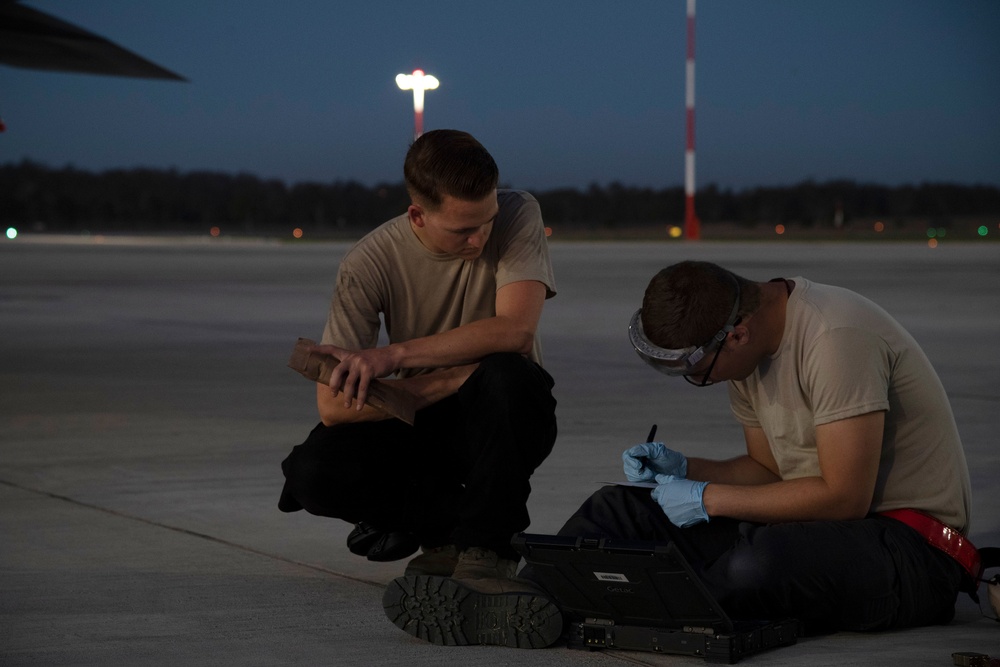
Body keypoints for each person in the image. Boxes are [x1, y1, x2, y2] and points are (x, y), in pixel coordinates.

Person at [552, 260, 975, 635]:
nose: (702, 382)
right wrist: (685, 470)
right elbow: (768, 471)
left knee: (756, 563)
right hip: (816, 527)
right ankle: (538, 596)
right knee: (617, 508)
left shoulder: (835, 338)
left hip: (912, 548)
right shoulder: (747, 354)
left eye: (699, 371)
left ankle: (658, 607)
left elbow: (845, 498)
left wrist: (709, 499)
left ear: (737, 334)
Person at [278, 130, 558, 589]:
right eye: (462, 230)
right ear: (417, 215)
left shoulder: (516, 211)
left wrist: (391, 356)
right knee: (311, 473)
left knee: (510, 377)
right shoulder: (368, 262)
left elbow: (516, 332)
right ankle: (443, 534)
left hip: (504, 419)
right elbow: (332, 408)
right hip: (417, 417)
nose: (479, 239)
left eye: (485, 221)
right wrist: (453, 378)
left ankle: (490, 550)